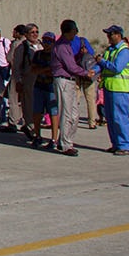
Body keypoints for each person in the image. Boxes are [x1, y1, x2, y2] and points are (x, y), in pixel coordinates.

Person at [51, 20, 94, 156]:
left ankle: (67, 140)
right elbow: (70, 66)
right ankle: (65, 144)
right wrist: (86, 72)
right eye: (75, 30)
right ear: (70, 31)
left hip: (69, 81)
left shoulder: (66, 45)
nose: (76, 33)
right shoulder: (62, 46)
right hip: (63, 80)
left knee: (74, 114)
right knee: (67, 113)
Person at [95, 25, 129, 155]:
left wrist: (101, 62)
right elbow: (102, 66)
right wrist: (92, 71)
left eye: (110, 34)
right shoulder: (110, 50)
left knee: (120, 118)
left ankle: (125, 145)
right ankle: (116, 144)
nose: (108, 37)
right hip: (109, 87)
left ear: (118, 35)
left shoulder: (124, 51)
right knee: (111, 118)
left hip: (120, 89)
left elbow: (116, 68)